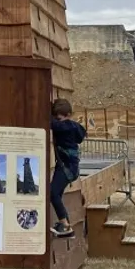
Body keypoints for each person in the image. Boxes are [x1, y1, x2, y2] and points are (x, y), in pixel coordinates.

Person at [49, 98, 86, 238]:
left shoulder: (65, 127)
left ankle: (65, 225)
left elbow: (54, 125)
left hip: (67, 168)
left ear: (68, 114)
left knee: (52, 193)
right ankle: (66, 225)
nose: (60, 120)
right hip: (68, 167)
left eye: (61, 117)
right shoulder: (74, 126)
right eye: (58, 117)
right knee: (55, 193)